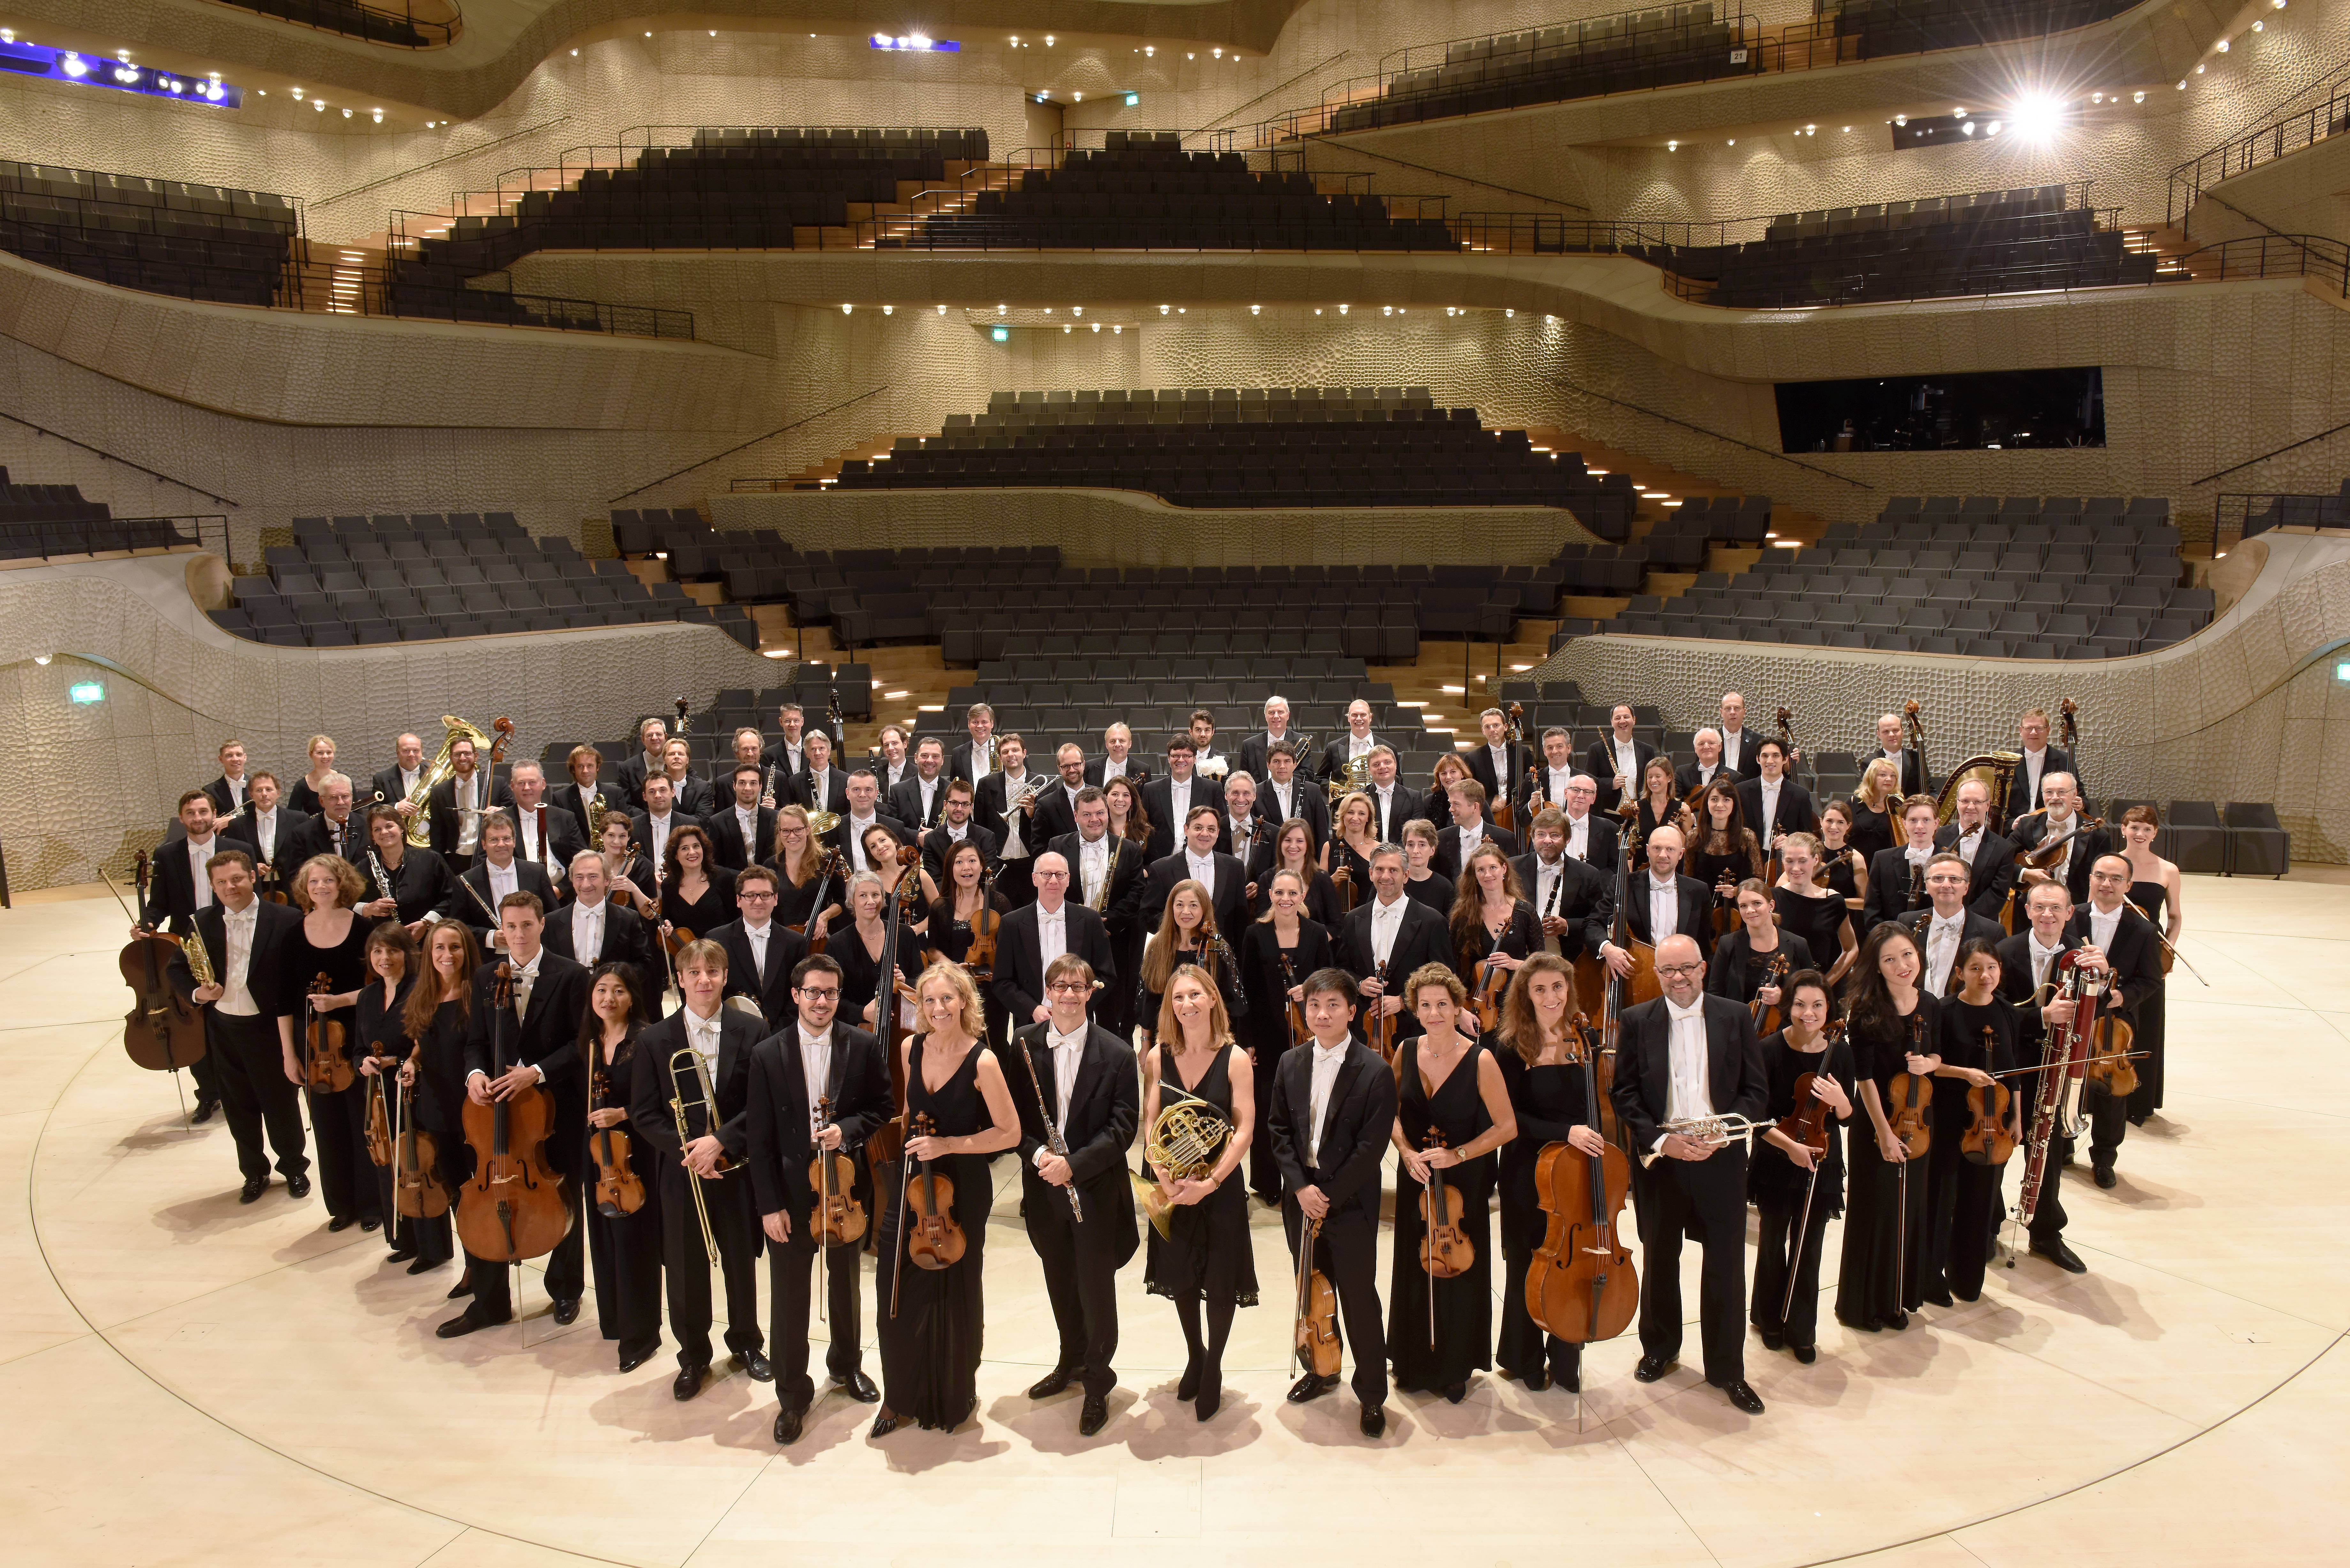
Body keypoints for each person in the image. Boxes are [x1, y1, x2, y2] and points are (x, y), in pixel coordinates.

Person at [1610, 932, 1768, 1414]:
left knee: (1725, 1266)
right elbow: (1625, 1095)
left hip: (1720, 1159)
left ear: (1703, 968)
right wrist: (1662, 1143)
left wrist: (1721, 1133)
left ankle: (1727, 1369)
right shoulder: (1637, 1020)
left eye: (1687, 969)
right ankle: (1660, 1348)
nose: (1678, 979)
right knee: (1660, 1257)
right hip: (1664, 1162)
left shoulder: (1735, 1016)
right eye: (1667, 971)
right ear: (1656, 974)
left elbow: (1755, 1092)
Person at [871, 963, 1022, 1437]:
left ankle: (954, 1393)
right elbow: (907, 1112)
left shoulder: (983, 1061)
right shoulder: (910, 1048)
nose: (938, 1009)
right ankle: (898, 1397)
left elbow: (1010, 1133)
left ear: (965, 1002)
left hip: (962, 1184)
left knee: (955, 1291)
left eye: (947, 1000)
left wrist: (950, 1146)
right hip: (915, 1186)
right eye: (928, 1001)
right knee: (895, 1288)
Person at [746, 953, 891, 1443]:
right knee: (789, 1298)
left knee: (846, 1284)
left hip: (843, 1186)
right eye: (813, 992)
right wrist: (768, 1206)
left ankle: (846, 1365)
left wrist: (846, 1130)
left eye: (831, 993)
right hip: (789, 1193)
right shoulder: (768, 1053)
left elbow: (882, 1108)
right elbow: (759, 1139)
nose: (823, 1001)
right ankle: (792, 1395)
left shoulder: (864, 1045)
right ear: (796, 996)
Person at [439, 892, 591, 1338]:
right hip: (496, 1114)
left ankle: (566, 1289)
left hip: (554, 1108)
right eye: (510, 927)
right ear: (500, 930)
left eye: (527, 925)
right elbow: (475, 1042)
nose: (519, 935)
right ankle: (490, 1303)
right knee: (488, 1198)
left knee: (563, 1197)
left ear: (542, 924)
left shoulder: (572, 975)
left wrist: (537, 1074)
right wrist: (474, 1074)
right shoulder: (486, 976)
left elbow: (582, 1043)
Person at [628, 938, 770, 1399]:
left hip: (736, 1164)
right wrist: (690, 1150)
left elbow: (764, 1102)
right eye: (695, 973)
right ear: (680, 979)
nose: (704, 980)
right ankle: (693, 1357)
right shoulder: (653, 1039)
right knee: (687, 1267)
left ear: (726, 977)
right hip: (682, 1169)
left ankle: (746, 1344)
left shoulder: (753, 1030)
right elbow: (644, 1113)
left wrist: (721, 1142)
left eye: (713, 972)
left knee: (740, 1260)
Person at [1013, 955, 1142, 1437]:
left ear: (1091, 992)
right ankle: (1069, 1360)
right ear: (1047, 991)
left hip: (1095, 1188)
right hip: (1045, 1185)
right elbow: (1015, 1120)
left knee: (1095, 1288)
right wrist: (1039, 1157)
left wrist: (1076, 1164)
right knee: (1059, 1279)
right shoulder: (1023, 1045)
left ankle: (1097, 1382)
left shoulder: (1116, 1052)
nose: (1068, 994)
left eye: (1078, 987)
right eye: (1059, 986)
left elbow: (1124, 1125)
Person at [1267, 969, 1397, 1437]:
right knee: (1314, 1294)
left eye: (1333, 1006)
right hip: (1301, 1201)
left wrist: (1329, 1195)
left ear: (1352, 1011)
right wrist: (1302, 1189)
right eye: (1314, 1006)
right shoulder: (1290, 1062)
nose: (1322, 1015)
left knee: (1359, 1301)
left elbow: (1372, 1147)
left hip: (1348, 1205)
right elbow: (1278, 1130)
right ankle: (1323, 1369)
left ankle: (1372, 1395)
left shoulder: (1376, 1070)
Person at [1387, 964, 1515, 1404]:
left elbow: (1507, 1127)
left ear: (1457, 1006)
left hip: (1465, 1181)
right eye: (1425, 1005)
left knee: (1461, 1270)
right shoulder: (1405, 1050)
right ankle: (1412, 1359)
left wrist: (1457, 1154)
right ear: (1414, 1009)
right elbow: (1391, 1113)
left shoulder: (1480, 1058)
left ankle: (1457, 1364)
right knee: (1414, 1265)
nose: (1434, 1012)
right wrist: (1405, 1153)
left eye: (1443, 1004)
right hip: (1418, 1180)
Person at [1140, 962, 1258, 1421]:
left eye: (1195, 995)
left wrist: (1210, 1182)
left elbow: (1244, 1127)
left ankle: (1214, 1371)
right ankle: (1196, 1355)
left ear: (1212, 999)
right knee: (1182, 1278)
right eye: (1178, 998)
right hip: (1173, 1184)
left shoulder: (1235, 1059)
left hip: (1218, 1186)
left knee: (1220, 1282)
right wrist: (1163, 1173)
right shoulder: (1157, 1057)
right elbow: (1151, 1122)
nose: (1187, 1005)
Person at [167, 848, 307, 1202]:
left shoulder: (287, 918)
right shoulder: (202, 920)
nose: (230, 887)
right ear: (214, 887)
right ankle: (254, 1173)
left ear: (253, 878)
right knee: (238, 1107)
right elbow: (176, 968)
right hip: (224, 1029)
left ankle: (293, 1168)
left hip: (269, 1029)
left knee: (281, 1105)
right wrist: (198, 993)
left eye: (237, 879)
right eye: (221, 882)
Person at [1491, 953, 1601, 1391]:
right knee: (1527, 1264)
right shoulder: (1509, 1045)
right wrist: (1566, 1131)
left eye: (1558, 988)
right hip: (1526, 1169)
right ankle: (1524, 1359)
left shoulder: (1584, 1039)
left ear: (1569, 989)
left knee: (1568, 1266)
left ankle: (1566, 1353)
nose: (1551, 997)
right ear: (1525, 994)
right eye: (1540, 989)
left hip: (1573, 1175)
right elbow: (1509, 1118)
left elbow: (1597, 1104)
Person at [1835, 922, 1939, 1333]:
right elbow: (1864, 1079)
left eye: (1907, 955)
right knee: (1874, 1212)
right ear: (1876, 967)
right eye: (1890, 959)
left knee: (1907, 1209)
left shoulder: (1929, 1003)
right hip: (1877, 1122)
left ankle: (1896, 1299)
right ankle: (1860, 1307)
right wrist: (1882, 1133)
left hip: (1919, 1119)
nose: (1902, 965)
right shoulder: (1864, 1009)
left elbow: (1937, 1054)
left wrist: (1928, 1064)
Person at [1747, 970, 1854, 1362]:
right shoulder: (1769, 1050)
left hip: (1821, 1159)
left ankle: (1801, 1328)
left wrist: (1841, 1098)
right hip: (1777, 1157)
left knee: (1809, 1247)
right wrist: (1791, 1147)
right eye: (1800, 1004)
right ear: (1787, 1005)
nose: (1809, 1014)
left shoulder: (1840, 1052)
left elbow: (1845, 1117)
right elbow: (1757, 1117)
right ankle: (1769, 1319)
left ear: (1829, 1008)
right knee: (1773, 1242)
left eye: (1818, 1005)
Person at [1994, 880, 2089, 1274]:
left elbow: (2092, 1016)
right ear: (2027, 911)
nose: (2047, 915)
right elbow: (1991, 1013)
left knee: (2047, 1154)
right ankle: (1986, 1224)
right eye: (2039, 907)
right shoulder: (2003, 951)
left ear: (2070, 913)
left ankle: (2046, 1232)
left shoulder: (2083, 959)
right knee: (1995, 1148)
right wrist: (2040, 1017)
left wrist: (2102, 980)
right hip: (2011, 1065)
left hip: (2057, 1070)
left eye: (2056, 908)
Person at [578, 961, 665, 1374]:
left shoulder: (645, 1039)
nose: (608, 999)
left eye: (617, 991)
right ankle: (614, 1321)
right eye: (601, 991)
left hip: (637, 1155)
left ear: (632, 997)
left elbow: (662, 1102)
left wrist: (622, 1114)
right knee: (604, 1237)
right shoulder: (589, 1039)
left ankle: (642, 1334)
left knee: (636, 1244)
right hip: (598, 1154)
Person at [289, 853, 381, 1235]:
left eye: (328, 880)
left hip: (357, 1038)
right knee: (327, 1127)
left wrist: (339, 1001)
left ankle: (371, 1203)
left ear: (342, 883)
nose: (322, 887)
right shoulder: (295, 934)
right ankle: (341, 1205)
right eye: (314, 882)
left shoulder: (362, 929)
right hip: (314, 1045)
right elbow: (284, 1000)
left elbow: (381, 987)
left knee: (364, 1124)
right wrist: (288, 1054)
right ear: (305, 889)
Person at [1927, 939, 2019, 1306]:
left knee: (1979, 1200)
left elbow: (2013, 1074)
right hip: (1950, 1118)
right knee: (1941, 1198)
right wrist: (1965, 1073)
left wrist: (2017, 1119)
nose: (1985, 975)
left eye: (1992, 967)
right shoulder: (1944, 1011)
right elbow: (1931, 1063)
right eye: (1976, 968)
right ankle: (1930, 1278)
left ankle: (1967, 1279)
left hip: (1992, 1125)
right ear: (1959, 972)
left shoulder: (2007, 1012)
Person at [1237, 869, 1334, 1204]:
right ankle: (1266, 1181)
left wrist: (1308, 990)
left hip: (1308, 1035)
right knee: (1266, 1108)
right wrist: (1246, 1039)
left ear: (1303, 896)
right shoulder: (1255, 934)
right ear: (1270, 895)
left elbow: (1330, 980)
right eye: (1279, 893)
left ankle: (1305, 1176)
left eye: (1293, 893)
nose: (1286, 899)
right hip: (1265, 1036)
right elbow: (1244, 992)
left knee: (1306, 1107)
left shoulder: (1317, 933)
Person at [2073, 854, 2165, 1188]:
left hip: (2113, 1023)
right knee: (2068, 1082)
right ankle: (2064, 1145)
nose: (2106, 884)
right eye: (2100, 876)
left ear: (2128, 886)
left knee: (2111, 1092)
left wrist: (2122, 996)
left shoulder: (2142, 929)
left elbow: (2152, 980)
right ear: (2091, 879)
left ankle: (2103, 1159)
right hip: (2072, 1018)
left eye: (2115, 879)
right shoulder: (2071, 918)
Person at [398, 920, 477, 1280]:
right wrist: (412, 1061)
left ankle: (481, 1266)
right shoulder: (422, 993)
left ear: (467, 951)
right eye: (440, 948)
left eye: (455, 947)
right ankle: (471, 1267)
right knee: (454, 1188)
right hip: (434, 1105)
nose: (448, 955)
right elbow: (421, 1040)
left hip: (471, 1109)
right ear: (429, 954)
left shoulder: (477, 994)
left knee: (474, 1192)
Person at [1337, 844, 1453, 1052]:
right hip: (1363, 1030)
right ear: (1371, 873)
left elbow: (1444, 980)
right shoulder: (1353, 919)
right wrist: (1359, 985)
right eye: (1380, 870)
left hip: (1414, 1031)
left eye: (1393, 870)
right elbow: (1341, 970)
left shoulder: (1432, 921)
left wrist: (1403, 1001)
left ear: (1406, 875)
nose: (1386, 876)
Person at [992, 852, 1117, 1031]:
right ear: (1035, 879)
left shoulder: (1090, 920)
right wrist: (1033, 1009)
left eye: (1060, 875)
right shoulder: (1012, 923)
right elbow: (1002, 981)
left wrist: (1076, 1003)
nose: (1053, 881)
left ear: (1068, 879)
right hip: (1031, 1022)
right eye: (1046, 874)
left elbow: (1106, 975)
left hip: (1079, 1019)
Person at [352, 922, 418, 1261]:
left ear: (407, 953)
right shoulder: (367, 997)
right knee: (387, 1165)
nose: (384, 958)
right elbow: (357, 1050)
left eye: (392, 950)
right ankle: (400, 1238)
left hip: (411, 1093)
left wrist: (400, 1060)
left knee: (415, 1164)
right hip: (379, 1097)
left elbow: (429, 1045)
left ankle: (427, 1244)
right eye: (377, 951)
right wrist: (363, 1062)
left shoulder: (420, 990)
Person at [2117, 804, 2183, 1124]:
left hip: (2149, 956)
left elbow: (2174, 916)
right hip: (2117, 954)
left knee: (2149, 1026)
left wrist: (2165, 950)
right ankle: (2111, 1088)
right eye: (2134, 827)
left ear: (2155, 833)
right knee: (2116, 1024)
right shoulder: (2114, 865)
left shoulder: (2168, 870)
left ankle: (2141, 1099)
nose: (2140, 834)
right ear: (2123, 829)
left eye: (2147, 829)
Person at [1134, 879, 1247, 1052]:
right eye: (1180, 905)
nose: (1186, 912)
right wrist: (1145, 1045)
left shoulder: (1218, 948)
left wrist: (1241, 1046)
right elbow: (1147, 1002)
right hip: (1166, 1040)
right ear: (1171, 909)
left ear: (1204, 910)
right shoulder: (1158, 947)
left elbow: (1235, 1002)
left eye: (1194, 905)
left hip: (1212, 1041)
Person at [705, 864, 810, 1027]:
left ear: (775, 899)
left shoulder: (796, 942)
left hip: (782, 1031)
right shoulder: (717, 939)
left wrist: (779, 1032)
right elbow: (714, 992)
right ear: (739, 900)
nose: (758, 901)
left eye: (765, 895)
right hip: (733, 1029)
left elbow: (799, 993)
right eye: (751, 896)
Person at [1594, 823, 1709, 966]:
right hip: (1636, 973)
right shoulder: (1624, 884)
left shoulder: (1699, 891)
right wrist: (1607, 948)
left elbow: (1705, 945)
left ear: (1681, 854)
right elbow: (1593, 923)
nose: (1663, 855)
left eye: (1670, 849)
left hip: (1681, 977)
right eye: (1657, 848)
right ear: (1648, 850)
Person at [1448, 843, 1538, 1019]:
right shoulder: (1464, 915)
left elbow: (1541, 962)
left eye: (1493, 868)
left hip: (1518, 1000)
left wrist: (1515, 964)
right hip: (1476, 1003)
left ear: (1504, 869)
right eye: (1481, 870)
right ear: (1474, 876)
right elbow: (1453, 964)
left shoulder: (1525, 912)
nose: (1488, 874)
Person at [1512, 806, 1611, 961]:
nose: (1547, 841)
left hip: (1566, 960)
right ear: (1532, 837)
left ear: (1567, 839)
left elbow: (1598, 921)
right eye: (1541, 834)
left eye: (1555, 835)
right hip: (1519, 958)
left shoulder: (1588, 875)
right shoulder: (1512, 868)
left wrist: (1567, 926)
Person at [447, 812, 557, 946]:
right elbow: (458, 927)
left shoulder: (537, 872)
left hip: (534, 951)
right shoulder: (466, 881)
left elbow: (554, 916)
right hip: (489, 959)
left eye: (506, 838)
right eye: (494, 840)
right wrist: (490, 937)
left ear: (514, 841)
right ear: (484, 844)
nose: (501, 844)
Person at [1904, 852, 2005, 996]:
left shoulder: (1992, 932)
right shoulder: (1906, 922)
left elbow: (1996, 987)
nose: (1946, 885)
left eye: (1955, 879)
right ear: (1926, 885)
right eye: (1938, 879)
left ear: (1966, 887)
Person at [1140, 804, 1248, 938]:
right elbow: (1148, 915)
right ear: (1186, 829)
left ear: (1218, 833)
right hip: (1177, 950)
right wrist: (1182, 925)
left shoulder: (1235, 867)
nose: (1205, 834)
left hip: (1220, 950)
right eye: (1198, 828)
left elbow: (1241, 919)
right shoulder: (1162, 869)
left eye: (1211, 829)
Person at [1707, 878, 1816, 1010]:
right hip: (1737, 1025)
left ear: (1771, 905)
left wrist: (1783, 998)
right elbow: (1715, 994)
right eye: (1743, 906)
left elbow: (1812, 993)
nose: (1750, 910)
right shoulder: (1727, 944)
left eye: (1757, 903)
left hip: (1783, 1027)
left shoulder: (1798, 944)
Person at [354, 800, 456, 937]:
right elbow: (346, 903)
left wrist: (427, 923)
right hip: (382, 944)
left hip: (427, 941)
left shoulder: (430, 860)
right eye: (377, 829)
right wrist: (367, 908)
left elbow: (453, 897)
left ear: (402, 829)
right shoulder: (363, 868)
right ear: (373, 837)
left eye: (389, 826)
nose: (384, 832)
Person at [1770, 834, 1856, 988]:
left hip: (1818, 988)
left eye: (1803, 861)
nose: (1796, 868)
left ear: (1816, 860)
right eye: (1790, 861)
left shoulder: (1833, 900)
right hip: (1780, 988)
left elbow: (1851, 949)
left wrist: (1825, 984)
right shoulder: (1772, 898)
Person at [2012, 772, 2109, 904]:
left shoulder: (2097, 836)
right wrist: (2025, 874)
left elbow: (2104, 878)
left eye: (2062, 792)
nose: (2055, 797)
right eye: (2049, 792)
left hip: (2076, 909)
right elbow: (2001, 859)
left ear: (2075, 794)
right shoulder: (2027, 825)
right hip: (2030, 907)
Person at [1933, 778, 2019, 923]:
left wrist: (1965, 919)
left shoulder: (2003, 848)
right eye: (1965, 801)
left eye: (1978, 802)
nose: (1971, 807)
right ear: (1958, 803)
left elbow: (1997, 894)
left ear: (1988, 805)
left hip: (1979, 923)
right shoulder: (1938, 837)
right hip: (1939, 918)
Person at [1686, 778, 1762, 930]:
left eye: (1726, 800)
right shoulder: (1694, 837)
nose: (1720, 805)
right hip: (1702, 911)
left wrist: (1737, 890)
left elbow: (1758, 880)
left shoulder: (1747, 837)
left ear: (1734, 805)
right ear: (1707, 803)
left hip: (1739, 911)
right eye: (1714, 799)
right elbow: (1688, 879)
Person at [1865, 795, 1943, 931]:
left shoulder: (1949, 863)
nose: (1920, 826)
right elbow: (1872, 911)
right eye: (1913, 820)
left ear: (1936, 823)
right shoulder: (1882, 859)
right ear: (1904, 823)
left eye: (1926, 820)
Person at [2001, 705, 2080, 827]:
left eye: (2039, 728)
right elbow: (1998, 802)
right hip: (2016, 830)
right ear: (2021, 731)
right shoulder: (2008, 762)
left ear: (2048, 730)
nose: (2034, 732)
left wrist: (2081, 804)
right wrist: (2011, 824)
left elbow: (2082, 798)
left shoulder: (2065, 761)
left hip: (2051, 827)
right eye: (2028, 728)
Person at [1254, 815, 1339, 926]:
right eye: (1288, 840)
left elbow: (1336, 926)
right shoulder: (1267, 879)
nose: (1293, 846)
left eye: (1300, 841)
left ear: (1308, 845)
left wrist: (1313, 941)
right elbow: (1261, 923)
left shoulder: (1323, 880)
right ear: (1280, 843)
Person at [657, 824, 735, 943]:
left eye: (696, 846)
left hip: (721, 952)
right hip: (687, 955)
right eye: (685, 848)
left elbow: (736, 920)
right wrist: (667, 928)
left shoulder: (723, 878)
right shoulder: (669, 886)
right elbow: (669, 922)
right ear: (676, 855)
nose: (692, 852)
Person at [1735, 738, 1815, 853]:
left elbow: (1807, 835)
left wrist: (1791, 842)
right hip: (1748, 859)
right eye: (1765, 756)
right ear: (1758, 759)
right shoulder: (1741, 791)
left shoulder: (1801, 795)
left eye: (1776, 756)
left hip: (1784, 860)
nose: (1770, 761)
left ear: (1785, 759)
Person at [1433, 778, 1520, 883]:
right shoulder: (1441, 838)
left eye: (1456, 804)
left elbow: (1512, 880)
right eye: (1451, 804)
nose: (1451, 809)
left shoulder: (1505, 839)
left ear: (1475, 807)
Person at [1584, 704, 1656, 814]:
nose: (1622, 721)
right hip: (1607, 813)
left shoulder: (1647, 750)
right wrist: (1611, 784)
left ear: (1634, 720)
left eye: (1626, 717)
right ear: (1612, 722)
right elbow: (1588, 783)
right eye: (1618, 718)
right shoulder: (1597, 749)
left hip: (1638, 813)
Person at [708, 763, 777, 873]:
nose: (747, 788)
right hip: (733, 886)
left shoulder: (776, 818)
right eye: (742, 783)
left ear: (760, 787)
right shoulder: (717, 822)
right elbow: (716, 865)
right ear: (734, 786)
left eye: (753, 783)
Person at [1326, 792, 1381, 915]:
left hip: (1370, 915)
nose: (1355, 818)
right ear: (1343, 816)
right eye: (1350, 812)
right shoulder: (1329, 847)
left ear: (1368, 819)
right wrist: (1333, 880)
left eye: (1362, 814)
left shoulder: (1378, 849)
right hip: (1335, 916)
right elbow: (1319, 888)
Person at [1847, 759, 1899, 864]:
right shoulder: (1854, 802)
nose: (1889, 779)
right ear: (1871, 777)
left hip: (1886, 866)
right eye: (1883, 775)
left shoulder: (1898, 807)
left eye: (1893, 776)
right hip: (1854, 864)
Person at [1398, 819, 1453, 914]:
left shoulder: (1445, 888)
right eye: (1411, 845)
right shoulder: (1394, 880)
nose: (1415, 850)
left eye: (1422, 845)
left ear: (1432, 850)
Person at [288, 733, 340, 818]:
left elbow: (357, 814)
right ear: (311, 755)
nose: (325, 756)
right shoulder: (301, 786)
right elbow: (292, 818)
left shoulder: (345, 780)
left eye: (329, 752)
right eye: (320, 753)